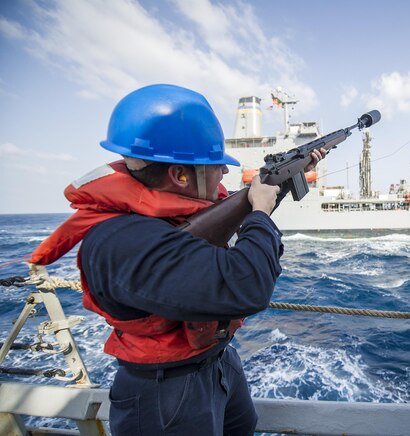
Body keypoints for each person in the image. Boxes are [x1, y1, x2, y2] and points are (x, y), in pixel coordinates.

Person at [28, 84, 325, 435]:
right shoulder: (121, 241)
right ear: (180, 176)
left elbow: (206, 239)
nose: (225, 174)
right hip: (165, 396)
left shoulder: (165, 218)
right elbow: (246, 287)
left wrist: (280, 185)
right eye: (215, 166)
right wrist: (259, 211)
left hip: (215, 364)